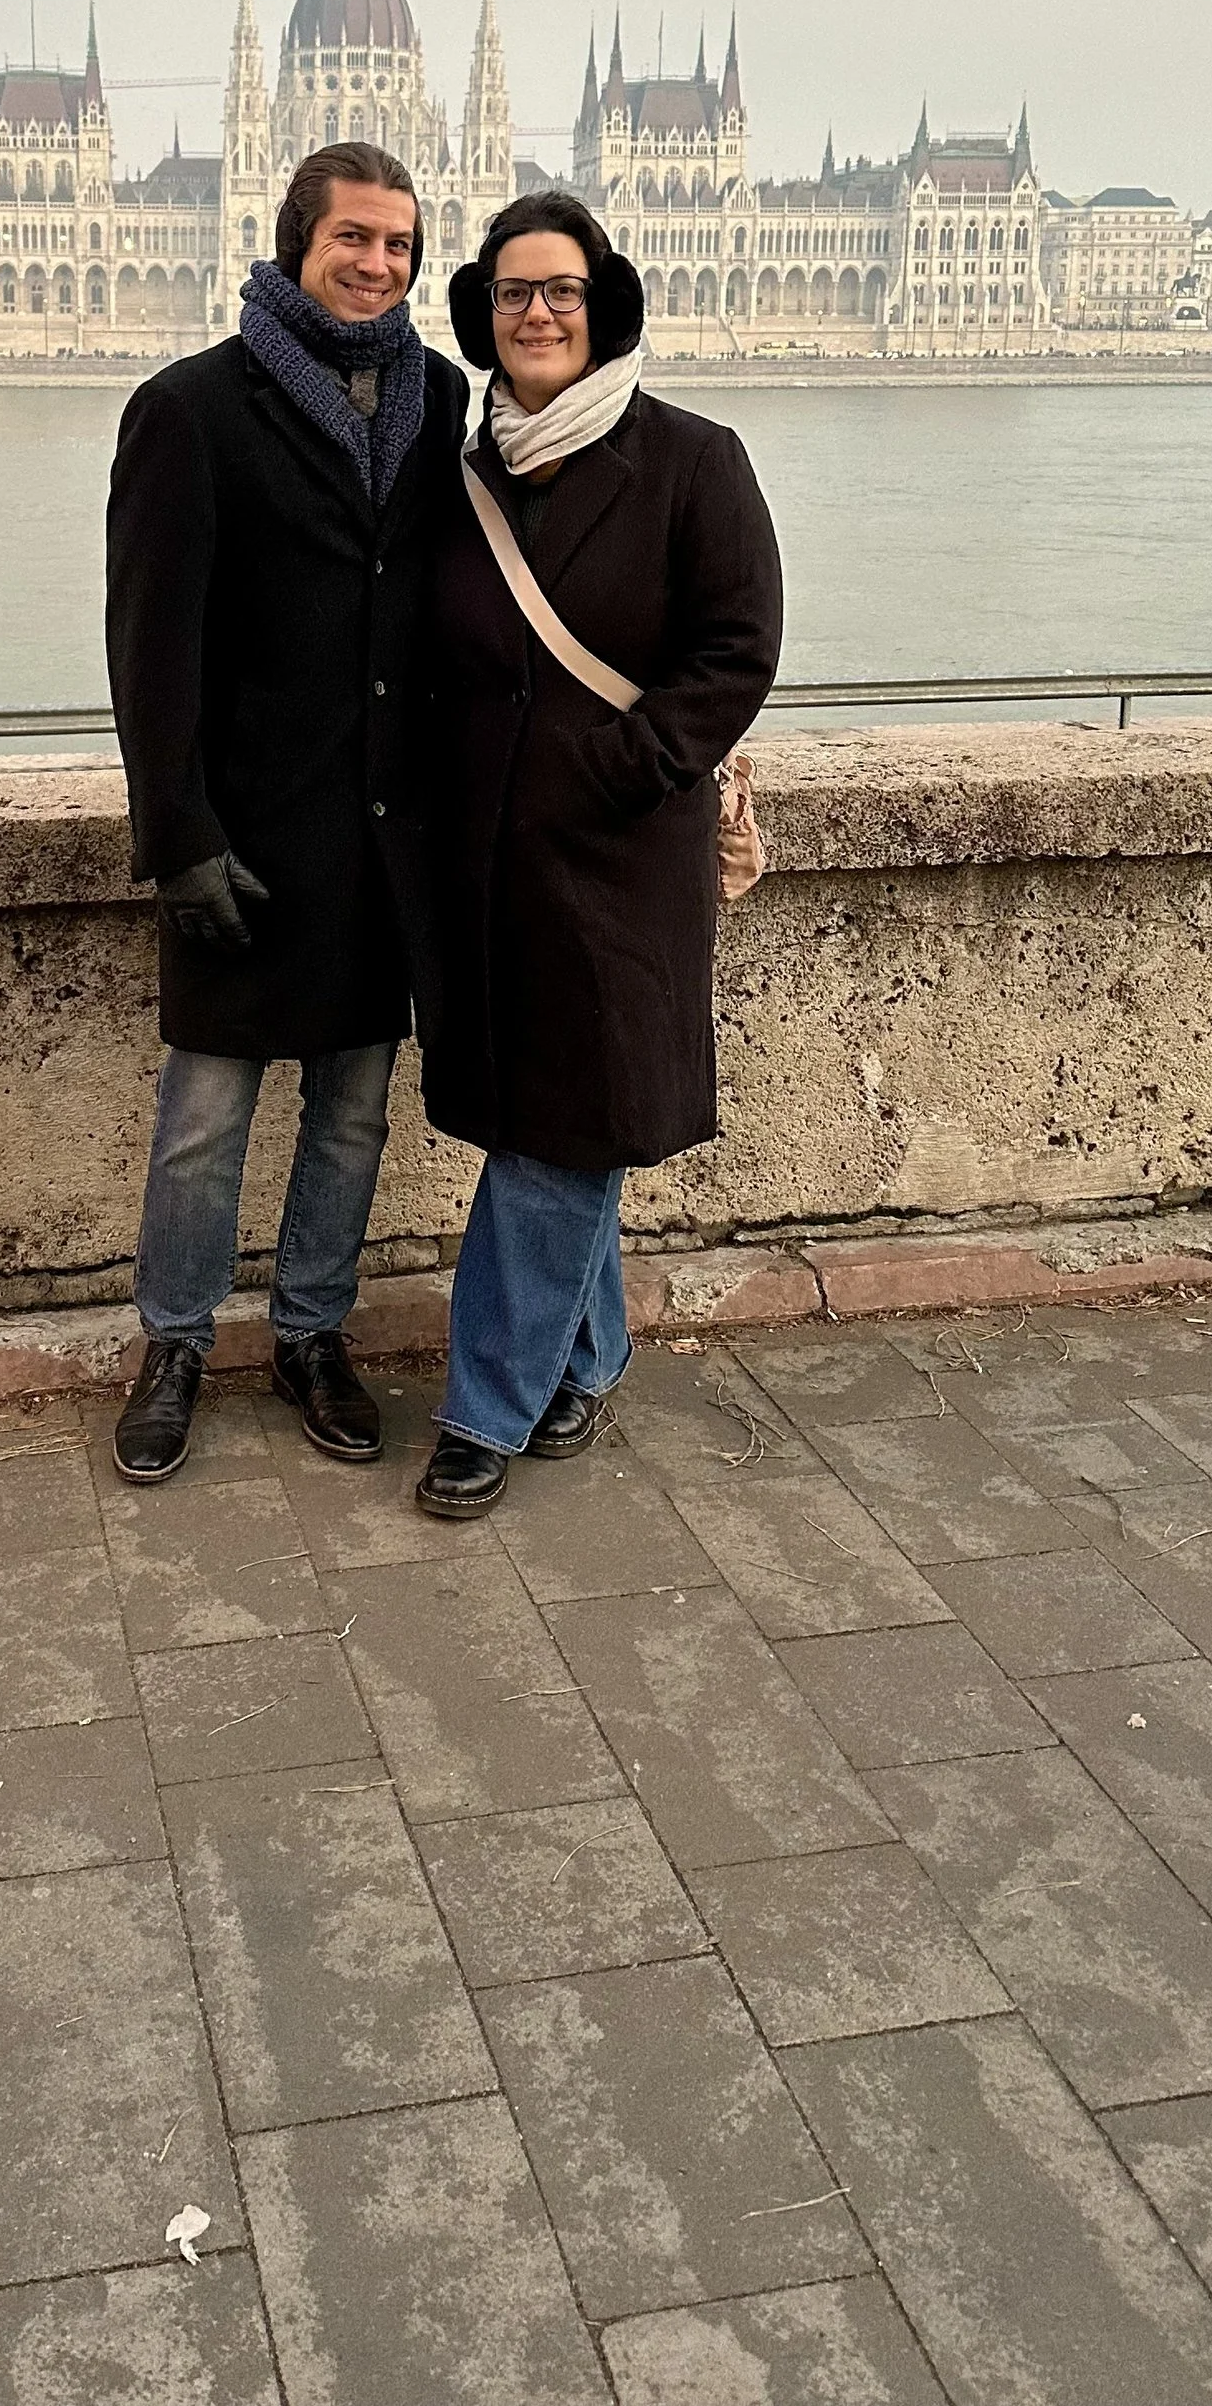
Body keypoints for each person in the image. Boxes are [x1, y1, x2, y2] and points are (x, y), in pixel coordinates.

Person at [104, 140, 468, 1483]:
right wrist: (179, 836)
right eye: (354, 239)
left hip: (381, 843)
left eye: (400, 246)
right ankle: (177, 1345)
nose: (377, 264)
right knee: (206, 1119)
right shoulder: (192, 409)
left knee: (355, 1113)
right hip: (244, 842)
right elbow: (150, 649)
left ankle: (314, 1333)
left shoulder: (440, 408)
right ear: (294, 240)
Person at [416, 189, 782, 1516]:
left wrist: (615, 773)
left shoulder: (694, 460)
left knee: (559, 1137)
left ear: (603, 303)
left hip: (624, 864)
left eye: (561, 289)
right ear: (484, 314)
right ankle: (589, 1351)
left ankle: (485, 1404)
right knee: (560, 1120)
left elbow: (736, 652)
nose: (538, 313)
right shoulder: (458, 481)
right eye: (514, 293)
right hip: (490, 869)